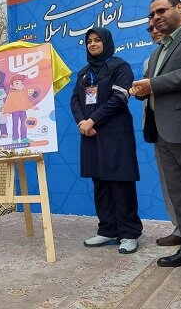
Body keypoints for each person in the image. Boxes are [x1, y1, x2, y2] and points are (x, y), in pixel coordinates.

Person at [130, 0, 181, 278]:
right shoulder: (156, 51)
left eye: (160, 11)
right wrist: (143, 91)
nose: (155, 18)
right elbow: (157, 87)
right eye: (151, 15)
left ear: (179, 7)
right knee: (180, 195)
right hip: (161, 131)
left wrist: (152, 84)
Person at [71, 26, 142, 254]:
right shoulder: (84, 73)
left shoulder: (119, 66)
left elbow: (119, 98)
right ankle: (108, 229)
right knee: (100, 182)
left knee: (120, 183)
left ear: (106, 42)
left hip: (115, 134)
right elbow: (75, 100)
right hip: (90, 135)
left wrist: (92, 120)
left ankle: (129, 232)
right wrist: (83, 123)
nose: (92, 44)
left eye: (97, 40)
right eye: (89, 41)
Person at [141, 21, 181, 247]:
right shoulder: (150, 59)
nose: (155, 31)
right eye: (150, 29)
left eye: (158, 25)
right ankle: (180, 227)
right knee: (170, 183)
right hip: (157, 126)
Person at [3, 74, 38, 143]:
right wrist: (6, 112)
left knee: (24, 123)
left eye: (21, 83)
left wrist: (32, 107)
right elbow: (8, 103)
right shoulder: (11, 94)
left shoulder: (24, 93)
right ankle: (15, 139)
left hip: (23, 111)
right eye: (17, 83)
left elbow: (26, 102)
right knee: (15, 124)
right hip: (15, 112)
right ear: (12, 86)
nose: (20, 85)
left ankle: (24, 137)